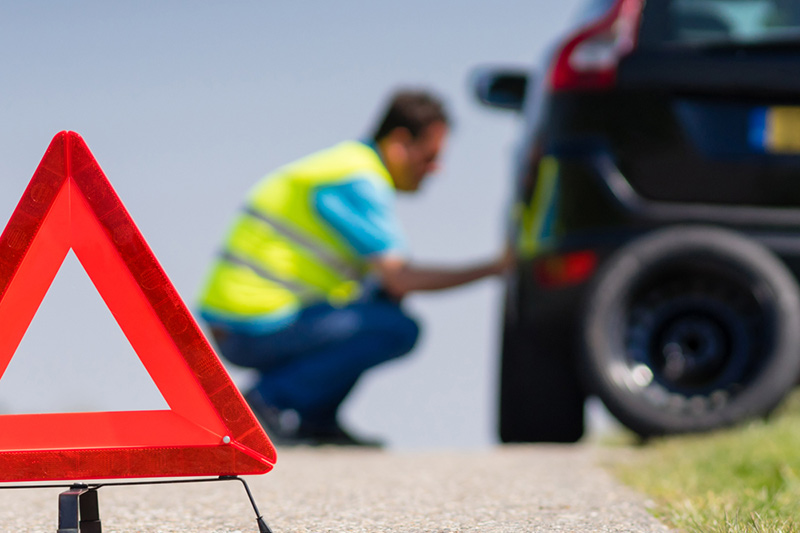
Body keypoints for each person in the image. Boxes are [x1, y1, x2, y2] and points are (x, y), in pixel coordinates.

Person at [198, 89, 509, 446]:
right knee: (394, 327)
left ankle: (315, 419)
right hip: (251, 325)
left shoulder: (345, 166)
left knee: (382, 305)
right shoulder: (356, 180)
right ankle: (267, 402)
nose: (436, 170)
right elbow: (401, 278)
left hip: (252, 318)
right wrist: (495, 268)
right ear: (399, 143)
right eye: (430, 156)